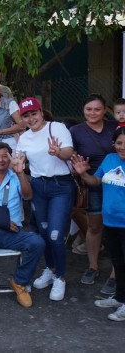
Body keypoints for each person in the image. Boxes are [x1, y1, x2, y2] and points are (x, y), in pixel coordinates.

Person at [0, 143, 45, 309]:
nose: (1, 160)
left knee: (37, 242)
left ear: (10, 159)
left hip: (13, 234)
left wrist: (20, 173)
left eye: (5, 156)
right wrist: (2, 222)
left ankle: (19, 282)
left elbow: (28, 196)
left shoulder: (15, 177)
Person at [16, 97, 76, 301]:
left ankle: (60, 277)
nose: (31, 118)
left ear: (41, 112)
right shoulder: (24, 138)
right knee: (42, 231)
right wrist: (17, 166)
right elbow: (19, 161)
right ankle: (51, 269)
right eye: (26, 115)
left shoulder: (57, 128)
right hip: (38, 186)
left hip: (61, 186)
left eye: (34, 113)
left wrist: (58, 152)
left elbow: (69, 152)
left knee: (55, 235)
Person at [72, 127, 125, 321]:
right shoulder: (110, 159)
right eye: (119, 143)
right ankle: (120, 298)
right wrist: (83, 174)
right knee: (117, 262)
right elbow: (96, 181)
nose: (122, 147)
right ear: (114, 144)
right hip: (110, 221)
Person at [69, 94, 117, 289]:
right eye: (89, 109)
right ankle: (93, 266)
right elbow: (70, 155)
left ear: (105, 110)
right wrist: (77, 169)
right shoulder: (76, 131)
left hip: (117, 185)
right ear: (83, 110)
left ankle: (116, 273)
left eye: (97, 109)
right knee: (95, 227)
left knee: (117, 229)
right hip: (92, 183)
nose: (93, 113)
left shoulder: (115, 127)